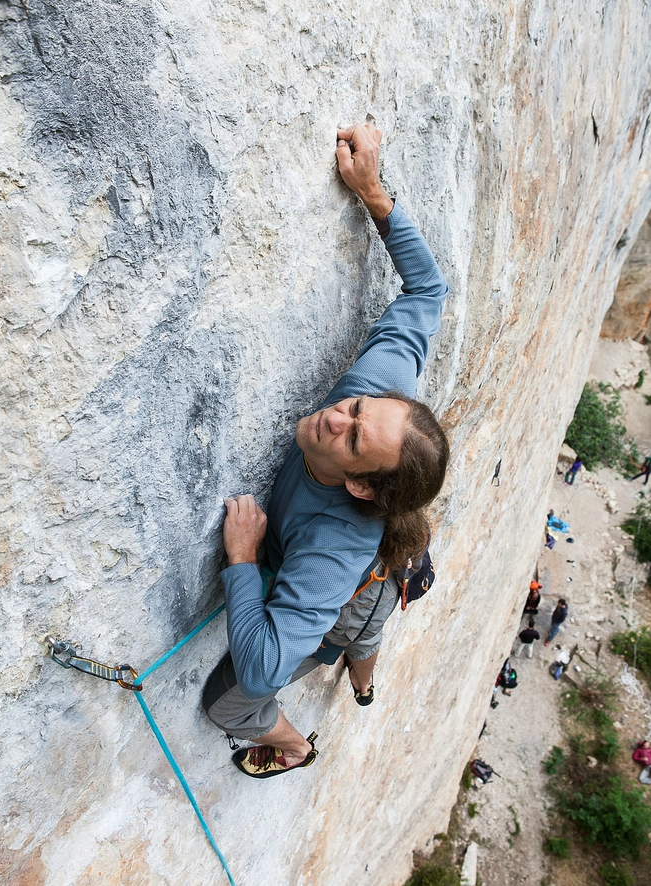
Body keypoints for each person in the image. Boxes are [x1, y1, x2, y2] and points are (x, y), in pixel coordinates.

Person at [201, 122, 450, 778]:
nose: (335, 416)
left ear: (364, 486)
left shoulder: (337, 547)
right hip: (351, 582)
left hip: (332, 605)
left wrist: (245, 560)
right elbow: (429, 293)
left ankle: (296, 745)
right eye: (356, 409)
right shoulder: (378, 392)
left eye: (353, 436)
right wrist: (373, 191)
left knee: (228, 703)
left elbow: (263, 665)